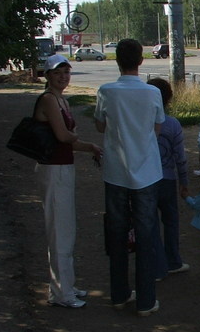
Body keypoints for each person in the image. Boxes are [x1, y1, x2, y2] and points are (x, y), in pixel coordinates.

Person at [94, 38, 166, 317]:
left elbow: (101, 124)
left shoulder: (106, 91)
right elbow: (158, 127)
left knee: (116, 231)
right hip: (147, 172)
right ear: (141, 60)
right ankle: (146, 299)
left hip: (116, 171)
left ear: (116, 61)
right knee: (147, 233)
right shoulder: (151, 93)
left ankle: (119, 293)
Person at [34, 55, 102, 309]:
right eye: (57, 72)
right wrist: (82, 142)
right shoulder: (49, 100)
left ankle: (66, 285)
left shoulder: (61, 100)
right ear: (48, 75)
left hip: (63, 166)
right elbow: (63, 136)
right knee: (59, 232)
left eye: (66, 72)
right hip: (53, 169)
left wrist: (90, 146)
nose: (63, 76)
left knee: (66, 229)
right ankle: (61, 293)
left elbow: (68, 139)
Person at [146, 78, 189, 280]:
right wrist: (184, 182)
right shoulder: (173, 124)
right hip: (168, 178)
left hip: (146, 178)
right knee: (171, 221)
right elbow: (180, 157)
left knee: (150, 221)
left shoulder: (143, 123)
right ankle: (173, 260)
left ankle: (155, 264)